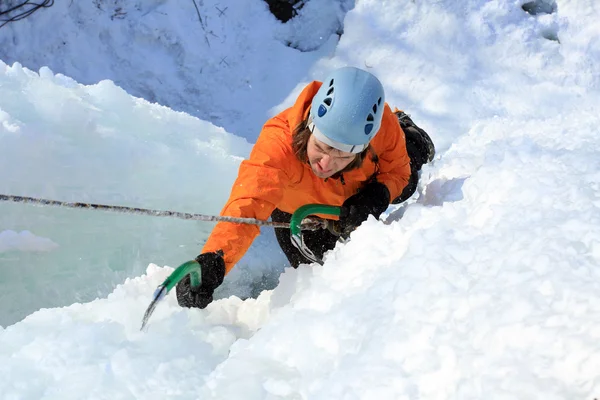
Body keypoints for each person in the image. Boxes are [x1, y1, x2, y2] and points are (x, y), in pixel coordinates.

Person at [176, 66, 435, 309]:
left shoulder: (382, 129)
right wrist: (215, 260)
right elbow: (248, 204)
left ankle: (410, 134)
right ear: (310, 127)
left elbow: (397, 172)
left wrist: (377, 195)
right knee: (320, 285)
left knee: (405, 187)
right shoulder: (278, 145)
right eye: (320, 147)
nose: (325, 163)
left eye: (342, 155)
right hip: (300, 211)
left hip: (358, 191)